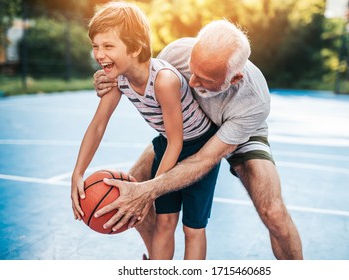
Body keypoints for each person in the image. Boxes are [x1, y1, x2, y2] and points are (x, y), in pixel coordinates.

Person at [92, 19, 303, 259]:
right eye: (192, 70)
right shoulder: (175, 53)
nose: (192, 82)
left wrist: (149, 190)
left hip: (237, 134)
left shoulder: (254, 102)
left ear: (233, 79)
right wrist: (111, 75)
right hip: (190, 130)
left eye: (205, 80)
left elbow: (205, 159)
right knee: (130, 193)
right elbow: (140, 79)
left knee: (273, 211)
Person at [71, 1, 221, 260]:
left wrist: (149, 189)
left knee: (192, 228)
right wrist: (78, 172)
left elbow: (178, 141)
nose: (98, 54)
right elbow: (98, 125)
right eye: (95, 46)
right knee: (164, 222)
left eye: (108, 46)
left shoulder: (164, 80)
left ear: (135, 48)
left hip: (199, 148)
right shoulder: (118, 78)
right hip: (167, 146)